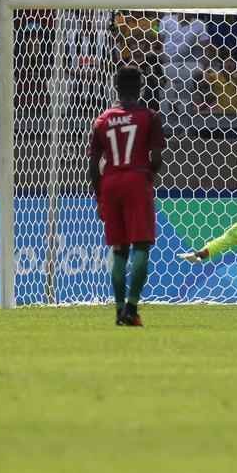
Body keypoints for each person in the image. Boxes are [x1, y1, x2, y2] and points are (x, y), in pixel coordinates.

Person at [87, 67, 165, 327]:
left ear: (116, 87)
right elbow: (156, 159)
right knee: (141, 246)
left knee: (118, 250)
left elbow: (92, 167)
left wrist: (100, 198)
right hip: (136, 179)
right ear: (141, 86)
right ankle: (132, 307)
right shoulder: (149, 117)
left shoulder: (101, 120)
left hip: (110, 183)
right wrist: (147, 175)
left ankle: (119, 311)